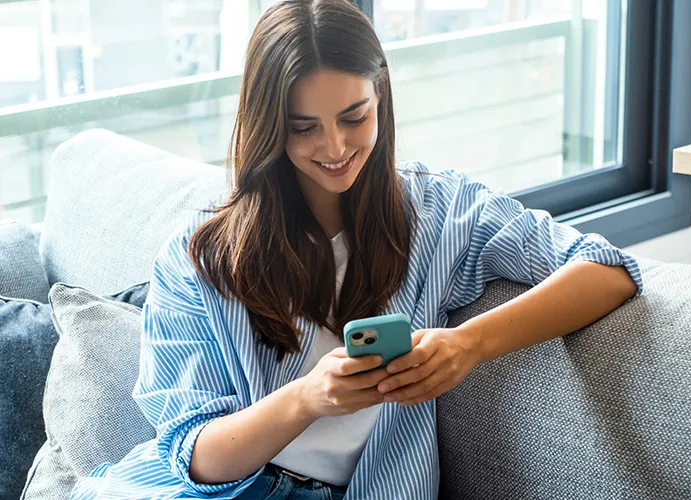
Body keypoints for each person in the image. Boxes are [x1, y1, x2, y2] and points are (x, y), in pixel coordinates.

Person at [70, 0, 642, 499]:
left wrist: (468, 344)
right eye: (304, 127)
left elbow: (608, 270)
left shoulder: (440, 212)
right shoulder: (200, 259)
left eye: (354, 117)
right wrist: (308, 398)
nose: (335, 147)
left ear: (380, 98)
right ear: (267, 126)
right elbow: (195, 460)